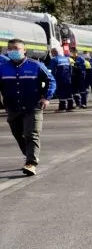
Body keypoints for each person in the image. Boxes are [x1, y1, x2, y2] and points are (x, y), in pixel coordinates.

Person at [1, 39, 55, 176]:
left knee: (31, 134)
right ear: (7, 51)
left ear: (24, 50)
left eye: (17, 48)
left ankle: (31, 163)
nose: (14, 51)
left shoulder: (36, 65)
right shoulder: (2, 67)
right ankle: (29, 155)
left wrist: (46, 97)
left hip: (33, 106)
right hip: (13, 107)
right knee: (18, 134)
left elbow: (51, 81)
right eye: (11, 48)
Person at [46, 47, 74, 112]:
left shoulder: (54, 60)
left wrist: (52, 78)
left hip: (59, 79)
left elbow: (52, 70)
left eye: (51, 53)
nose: (51, 54)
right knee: (68, 92)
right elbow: (70, 69)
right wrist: (69, 76)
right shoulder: (66, 59)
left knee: (61, 92)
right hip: (67, 78)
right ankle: (70, 106)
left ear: (53, 53)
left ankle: (62, 107)